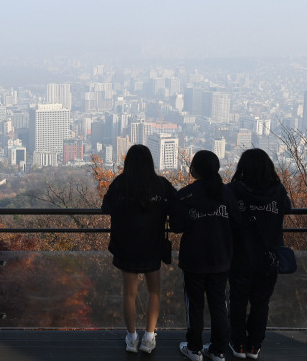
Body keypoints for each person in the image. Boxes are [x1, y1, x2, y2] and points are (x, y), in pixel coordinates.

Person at [102, 144, 176, 354]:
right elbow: (176, 203)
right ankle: (149, 338)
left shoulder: (121, 184)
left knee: (129, 294)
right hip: (152, 245)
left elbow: (106, 207)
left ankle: (132, 338)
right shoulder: (161, 185)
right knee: (155, 291)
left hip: (127, 246)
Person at [170, 150, 241, 361]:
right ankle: (218, 350)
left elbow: (175, 227)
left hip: (194, 259)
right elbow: (237, 222)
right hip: (221, 258)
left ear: (194, 169)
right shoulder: (227, 193)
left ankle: (194, 348)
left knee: (195, 304)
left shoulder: (184, 195)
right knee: (219, 303)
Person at [226, 148, 291, 360]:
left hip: (240, 256)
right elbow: (287, 208)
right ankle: (254, 346)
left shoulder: (233, 190)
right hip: (269, 257)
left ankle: (238, 343)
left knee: (238, 301)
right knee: (261, 302)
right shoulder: (278, 190)